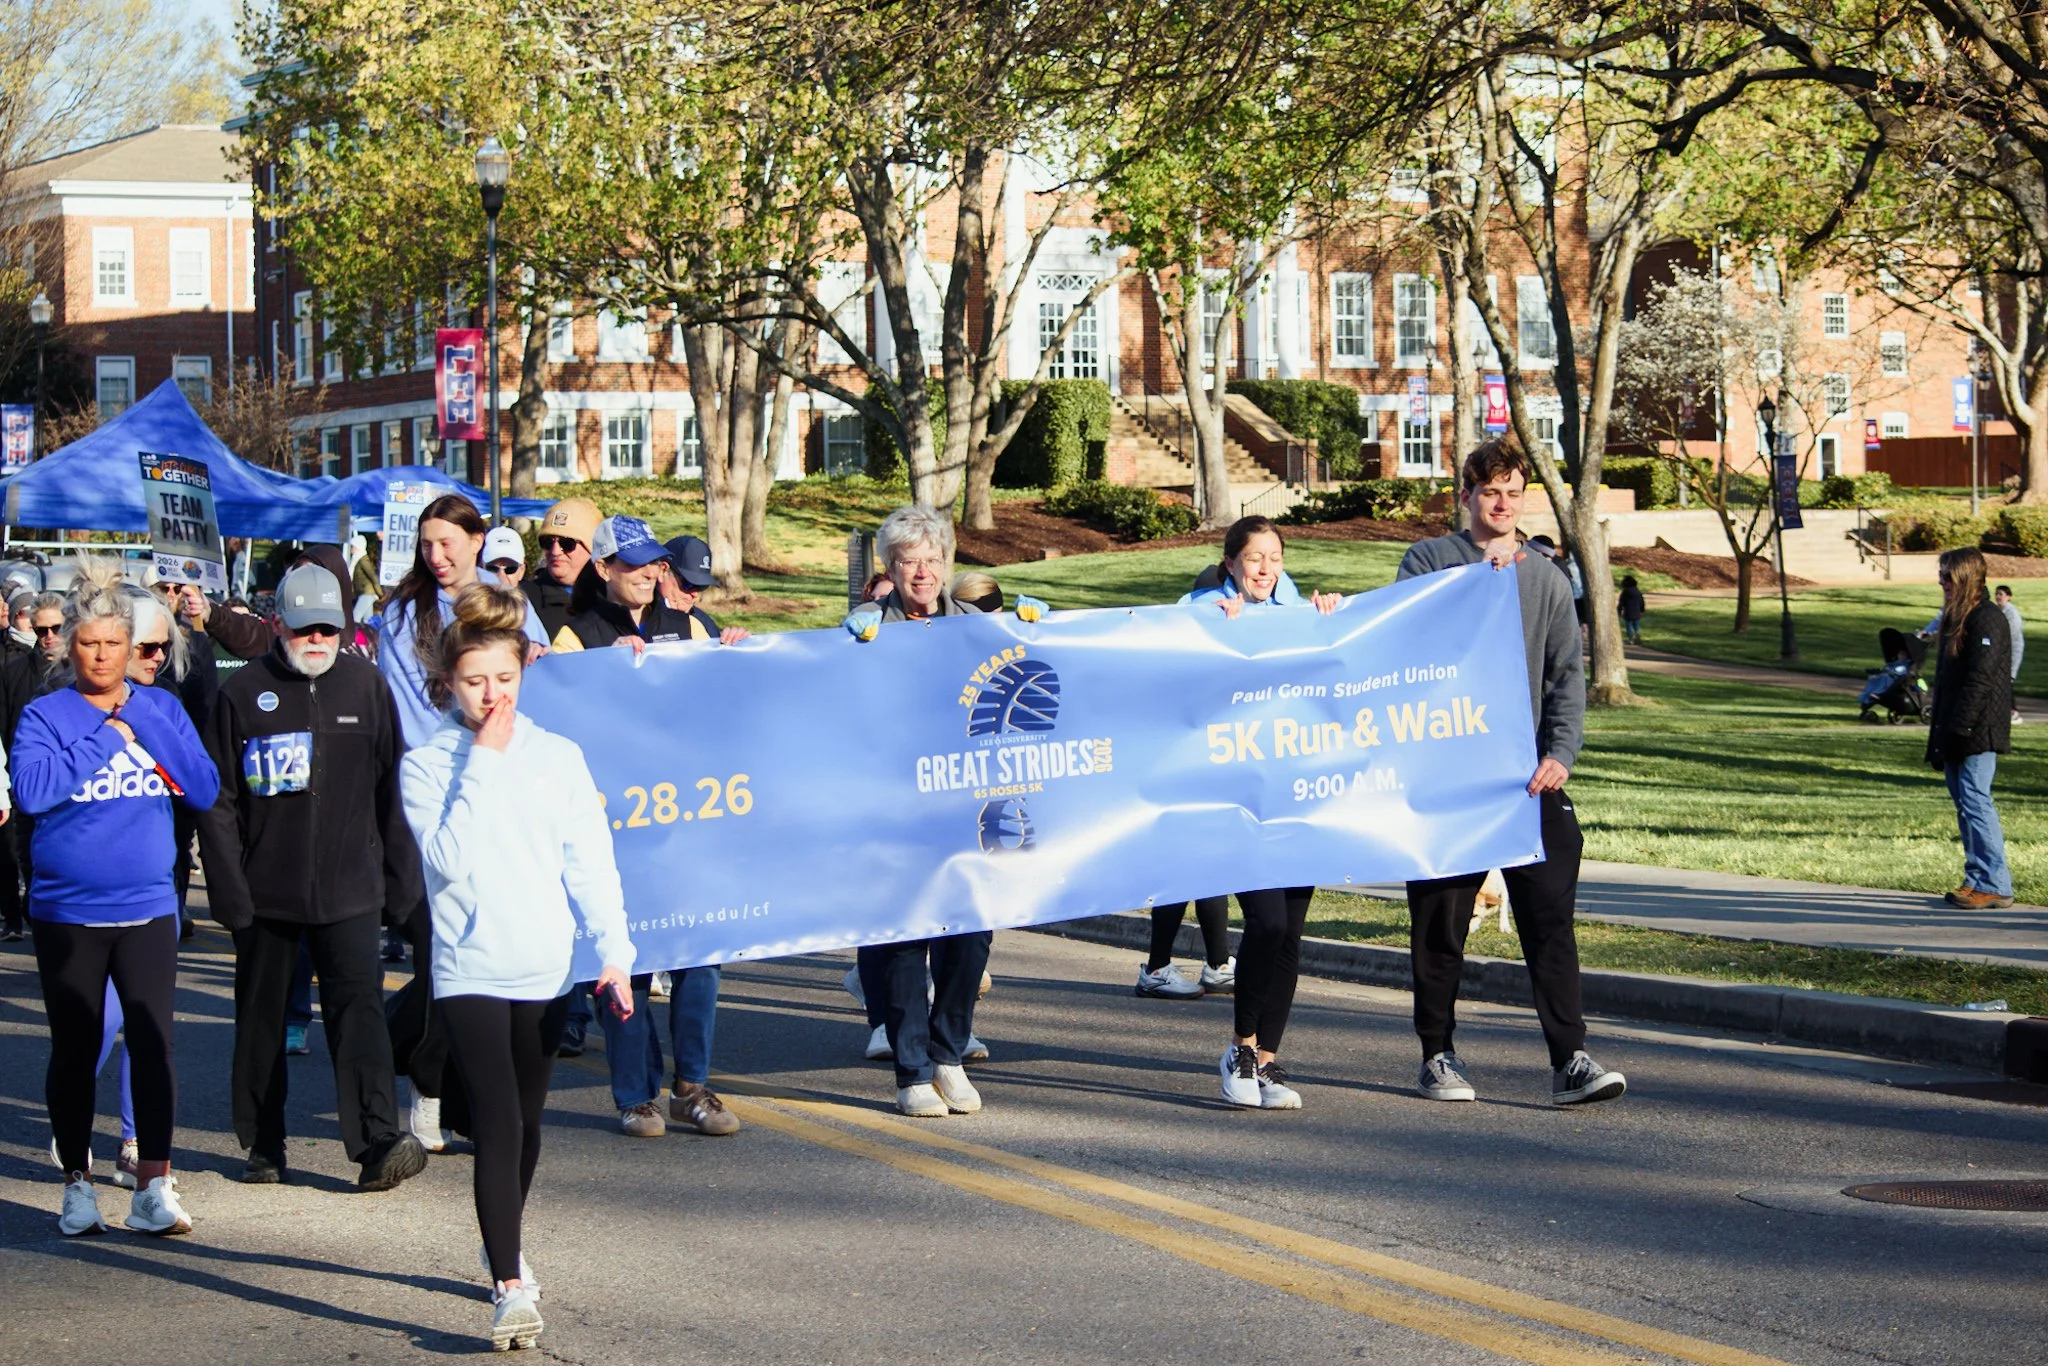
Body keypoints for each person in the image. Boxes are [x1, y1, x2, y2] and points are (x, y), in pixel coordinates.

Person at [401, 585, 636, 1352]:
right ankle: (508, 1285)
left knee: (528, 1126)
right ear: (448, 683)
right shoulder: (427, 765)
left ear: (525, 670)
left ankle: (502, 1240)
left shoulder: (558, 757)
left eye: (504, 678)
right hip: (468, 965)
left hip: (544, 964)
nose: (491, 695)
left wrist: (615, 953)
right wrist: (485, 763)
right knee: (497, 1120)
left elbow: (589, 861)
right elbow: (447, 861)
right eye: (474, 681)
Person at [1398, 436, 1625, 1108]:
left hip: (1526, 778)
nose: (1502, 504)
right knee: (1441, 924)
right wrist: (1480, 580)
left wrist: (1560, 753)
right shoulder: (1429, 560)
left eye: (1513, 494)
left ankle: (1570, 1059)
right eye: (1490, 492)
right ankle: (1437, 1054)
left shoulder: (1546, 578)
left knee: (1549, 918)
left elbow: (1566, 678)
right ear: (1465, 495)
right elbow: (1407, 641)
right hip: (1450, 776)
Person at [197, 562, 430, 1190]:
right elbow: (218, 802)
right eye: (306, 629)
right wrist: (229, 890)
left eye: (329, 628)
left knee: (361, 1017)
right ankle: (262, 1144)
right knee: (262, 1021)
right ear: (278, 625)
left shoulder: (367, 687)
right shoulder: (242, 693)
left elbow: (393, 790)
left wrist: (401, 883)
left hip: (351, 889)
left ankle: (377, 1144)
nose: (318, 640)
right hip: (265, 894)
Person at [14, 557, 220, 1237]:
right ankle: (77, 1185)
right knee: (75, 1049)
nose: (101, 655)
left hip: (149, 906)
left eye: (113, 643)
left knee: (155, 1044)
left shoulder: (160, 708)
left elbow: (203, 788)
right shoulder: (46, 714)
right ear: (69, 647)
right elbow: (34, 793)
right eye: (88, 643)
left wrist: (142, 723)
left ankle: (153, 1185)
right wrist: (107, 739)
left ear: (131, 646)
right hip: (68, 911)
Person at [557, 519, 744, 1137]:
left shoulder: (688, 626)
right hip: (615, 826)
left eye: (655, 563)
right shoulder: (577, 636)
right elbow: (560, 721)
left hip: (685, 820)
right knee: (624, 960)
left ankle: (692, 1085)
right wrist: (598, 677)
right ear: (603, 568)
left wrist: (738, 653)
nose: (648, 573)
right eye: (634, 563)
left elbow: (722, 700)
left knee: (699, 955)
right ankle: (635, 1095)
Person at [378, 496, 548, 1149]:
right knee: (443, 952)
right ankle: (427, 1086)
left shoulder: (511, 605)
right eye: (426, 544)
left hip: (506, 798)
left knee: (490, 954)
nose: (436, 555)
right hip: (436, 796)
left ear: (478, 540)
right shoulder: (404, 614)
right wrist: (466, 755)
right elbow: (411, 712)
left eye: (447, 542)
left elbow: (550, 680)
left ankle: (458, 1093)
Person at [841, 507, 1014, 1117]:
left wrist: (1039, 630)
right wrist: (848, 646)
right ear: (890, 569)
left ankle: (949, 1054)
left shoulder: (975, 625)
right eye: (909, 561)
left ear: (947, 564)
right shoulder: (866, 630)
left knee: (971, 935)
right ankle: (912, 1070)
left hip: (965, 806)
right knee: (906, 938)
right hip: (896, 809)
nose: (922, 572)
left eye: (933, 560)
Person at [1180, 517, 1339, 1108]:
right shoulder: (1201, 611)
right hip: (1236, 798)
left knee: (1289, 931)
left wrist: (1331, 620)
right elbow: (1168, 669)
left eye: (1275, 557)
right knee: (1267, 922)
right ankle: (1240, 1049)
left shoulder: (1299, 614)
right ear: (1231, 563)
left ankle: (1267, 1061)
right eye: (1253, 558)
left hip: (1295, 792)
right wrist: (1210, 632)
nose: (1265, 569)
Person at [1928, 549, 2015, 910]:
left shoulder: (1987, 618)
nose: (1941, 582)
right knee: (1965, 805)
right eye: (1941, 574)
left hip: (1977, 729)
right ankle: (1977, 877)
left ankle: (1995, 883)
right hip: (1954, 727)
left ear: (1966, 577)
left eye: (1948, 575)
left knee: (1976, 802)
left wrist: (1960, 728)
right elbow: (1947, 682)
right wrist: (1941, 735)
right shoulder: (1956, 617)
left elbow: (1981, 680)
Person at [1, 591, 67, 943]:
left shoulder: (83, 674)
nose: (49, 637)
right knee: (23, 857)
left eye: (57, 628)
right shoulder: (13, 672)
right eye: (41, 630)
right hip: (25, 784)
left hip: (71, 785)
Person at [524, 497, 601, 641]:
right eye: (547, 542)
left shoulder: (614, 598)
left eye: (567, 543)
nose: (555, 552)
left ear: (592, 547)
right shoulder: (522, 600)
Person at [1994, 584, 2024, 725]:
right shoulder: (1996, 611)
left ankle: (2013, 712)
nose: (1998, 597)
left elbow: (2012, 634)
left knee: (2007, 680)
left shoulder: (2012, 613)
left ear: (2009, 597)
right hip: (1999, 650)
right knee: (1999, 680)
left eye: (2001, 594)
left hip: (2012, 651)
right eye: (1997, 594)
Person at [1618, 575, 1645, 645]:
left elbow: (1621, 603)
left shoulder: (1625, 592)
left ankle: (1631, 639)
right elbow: (1642, 602)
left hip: (1628, 612)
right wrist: (1642, 610)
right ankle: (1637, 634)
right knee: (1636, 624)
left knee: (1629, 626)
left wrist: (1619, 611)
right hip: (1637, 611)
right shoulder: (1638, 591)